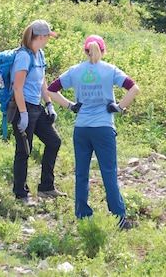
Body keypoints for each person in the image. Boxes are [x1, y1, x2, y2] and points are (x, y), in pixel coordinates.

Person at [47, 35, 140, 230]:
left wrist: (70, 106)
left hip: (82, 128)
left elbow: (51, 90)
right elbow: (133, 88)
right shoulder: (110, 70)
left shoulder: (75, 71)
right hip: (104, 128)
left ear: (85, 51)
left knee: (81, 173)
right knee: (108, 173)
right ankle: (118, 219)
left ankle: (83, 216)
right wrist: (119, 107)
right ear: (103, 50)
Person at [11, 19, 66, 205]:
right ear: (41, 37)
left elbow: (42, 81)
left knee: (54, 141)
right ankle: (21, 193)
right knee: (24, 151)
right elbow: (17, 88)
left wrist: (49, 103)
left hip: (37, 107)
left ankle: (46, 187)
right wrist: (23, 114)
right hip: (23, 107)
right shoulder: (23, 56)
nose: (49, 40)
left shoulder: (39, 54)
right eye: (48, 37)